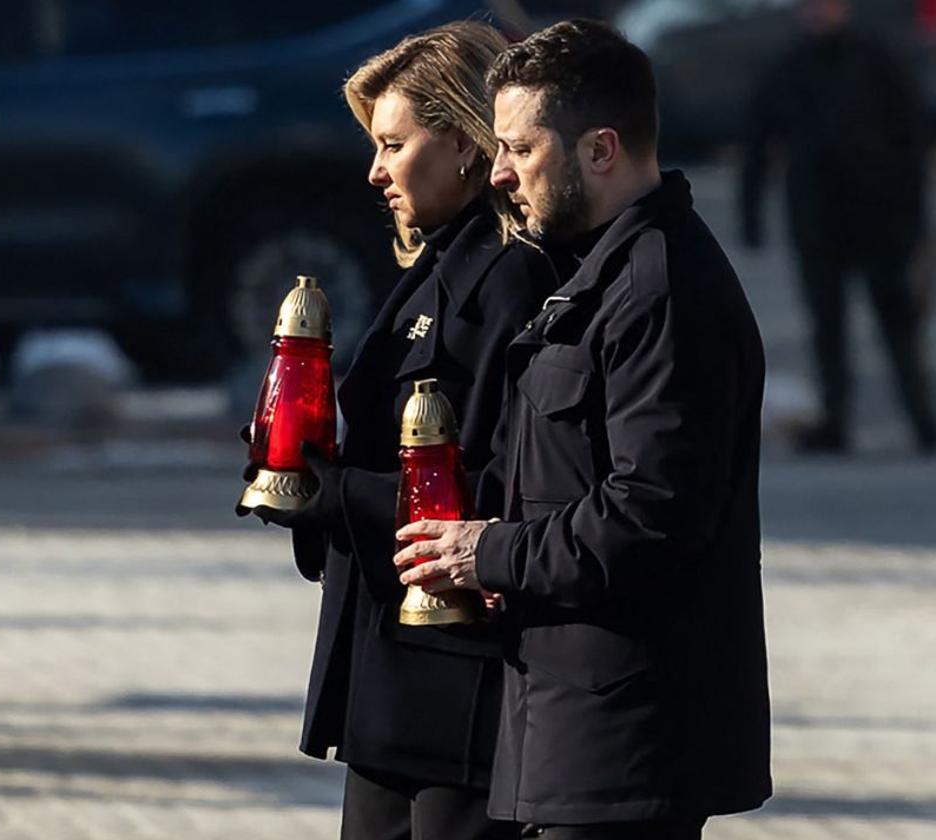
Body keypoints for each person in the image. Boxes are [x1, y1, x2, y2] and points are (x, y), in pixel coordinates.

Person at [392, 20, 772, 839]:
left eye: (519, 149)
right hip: (565, 731)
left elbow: (651, 516)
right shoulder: (599, 275)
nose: (498, 174)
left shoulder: (660, 289)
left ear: (600, 150)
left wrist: (486, 550)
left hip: (630, 743)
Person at [238, 21, 563, 840]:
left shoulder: (507, 277)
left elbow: (497, 487)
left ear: (462, 141)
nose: (374, 170)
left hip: (456, 685)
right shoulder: (442, 263)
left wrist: (328, 492)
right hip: (398, 675)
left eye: (393, 143)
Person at [741, 0, 936, 453]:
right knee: (828, 325)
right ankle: (837, 419)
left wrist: (914, 217)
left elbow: (911, 137)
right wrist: (752, 216)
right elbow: (758, 141)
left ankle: (920, 418)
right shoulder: (789, 66)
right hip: (818, 218)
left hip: (879, 217)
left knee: (897, 322)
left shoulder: (875, 60)